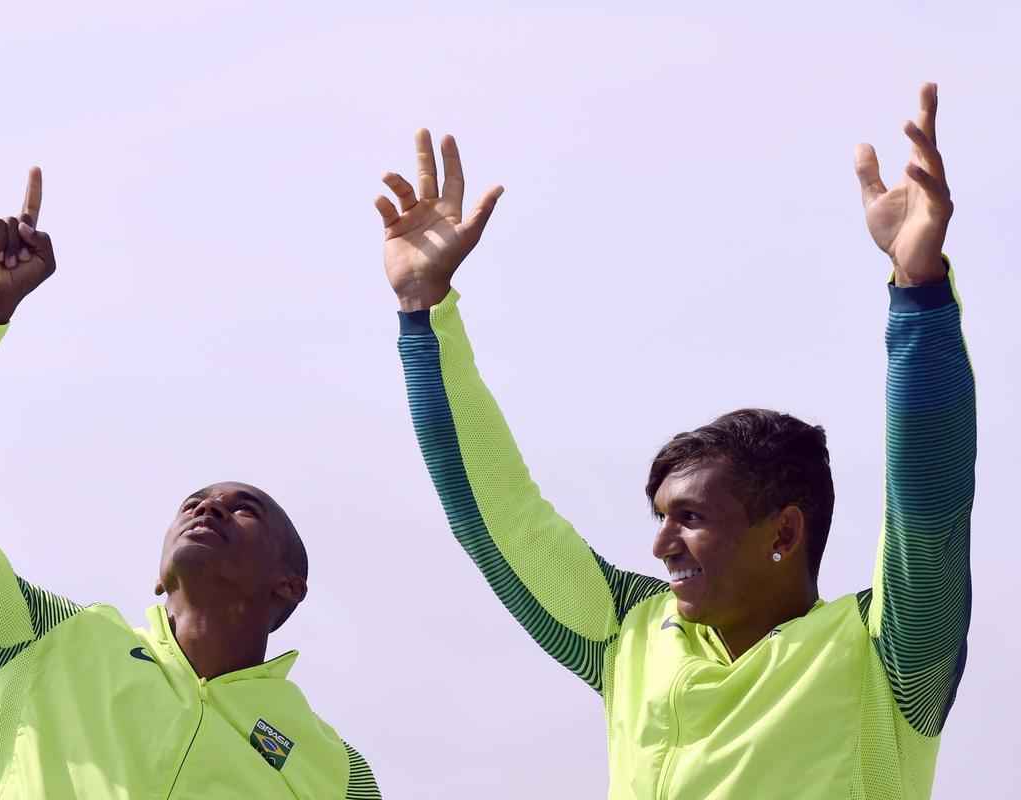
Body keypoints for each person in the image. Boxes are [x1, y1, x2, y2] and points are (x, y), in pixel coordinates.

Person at [375, 83, 972, 799]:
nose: (660, 544)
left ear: (784, 530)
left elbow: (925, 512)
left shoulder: (890, 658)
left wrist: (918, 289)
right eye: (661, 517)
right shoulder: (626, 634)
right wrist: (422, 307)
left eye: (689, 517)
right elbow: (494, 517)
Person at [0, 169, 382, 799]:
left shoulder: (338, 772)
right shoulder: (46, 642)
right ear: (160, 575)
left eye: (246, 510)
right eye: (193, 503)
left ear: (287, 588)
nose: (208, 508)